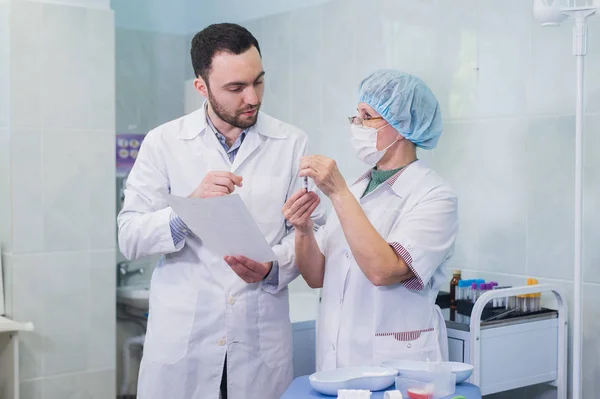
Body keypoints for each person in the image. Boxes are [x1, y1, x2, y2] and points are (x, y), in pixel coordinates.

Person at [118, 23, 325, 399]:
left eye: (258, 82)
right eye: (235, 88)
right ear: (202, 87)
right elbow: (130, 237)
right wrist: (188, 211)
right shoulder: (163, 143)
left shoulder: (292, 142)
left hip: (257, 335)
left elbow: (311, 231)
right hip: (186, 341)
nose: (253, 97)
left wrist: (271, 267)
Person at [282, 70, 458, 371]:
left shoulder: (434, 196)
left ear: (402, 126)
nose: (357, 125)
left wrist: (337, 192)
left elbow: (383, 270)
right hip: (336, 363)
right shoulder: (355, 189)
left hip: (398, 366)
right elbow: (315, 277)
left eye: (367, 116)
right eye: (356, 116)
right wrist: (303, 230)